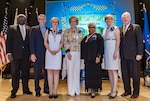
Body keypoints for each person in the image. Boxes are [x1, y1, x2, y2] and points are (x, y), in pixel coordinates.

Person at [6, 14, 32, 98]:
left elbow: (30, 43)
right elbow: (8, 42)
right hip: (15, 56)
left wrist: (31, 54)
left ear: (25, 20)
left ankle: (26, 89)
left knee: (26, 73)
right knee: (15, 74)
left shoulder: (29, 29)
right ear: (17, 19)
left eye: (23, 18)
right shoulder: (11, 28)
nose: (21, 19)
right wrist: (9, 53)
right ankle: (14, 91)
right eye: (20, 18)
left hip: (26, 56)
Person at [120, 12, 143, 99]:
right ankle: (127, 90)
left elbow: (140, 42)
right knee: (125, 75)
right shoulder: (120, 29)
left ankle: (136, 92)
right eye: (124, 17)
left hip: (134, 56)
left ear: (130, 18)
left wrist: (139, 53)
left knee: (135, 75)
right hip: (123, 56)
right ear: (122, 19)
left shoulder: (136, 27)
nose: (125, 19)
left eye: (127, 17)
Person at [81, 23, 104, 98]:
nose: (91, 28)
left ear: (95, 28)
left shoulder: (98, 36)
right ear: (88, 28)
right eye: (90, 27)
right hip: (88, 60)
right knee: (89, 75)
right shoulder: (86, 37)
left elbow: (101, 47)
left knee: (95, 75)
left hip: (95, 60)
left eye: (93, 27)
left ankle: (94, 90)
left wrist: (98, 56)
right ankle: (90, 89)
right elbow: (83, 47)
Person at [29, 14, 49, 97]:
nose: (42, 20)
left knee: (47, 72)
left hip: (47, 54)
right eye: (41, 19)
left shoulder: (48, 29)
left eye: (44, 19)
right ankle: (37, 89)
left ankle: (46, 88)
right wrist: (32, 54)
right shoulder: (34, 29)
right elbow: (31, 42)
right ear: (38, 20)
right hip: (37, 54)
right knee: (37, 73)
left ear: (46, 20)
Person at [63, 16, 83, 96]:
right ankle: (71, 91)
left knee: (77, 72)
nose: (73, 23)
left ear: (77, 22)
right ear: (70, 22)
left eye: (75, 21)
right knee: (70, 72)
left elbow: (81, 41)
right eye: (72, 21)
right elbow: (65, 42)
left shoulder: (80, 31)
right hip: (70, 53)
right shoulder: (66, 31)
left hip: (78, 53)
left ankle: (77, 90)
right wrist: (67, 52)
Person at [44, 17, 63, 99]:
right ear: (51, 23)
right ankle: (50, 91)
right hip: (49, 53)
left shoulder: (61, 31)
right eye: (53, 22)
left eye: (56, 22)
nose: (55, 23)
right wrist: (49, 50)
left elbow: (62, 42)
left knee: (56, 73)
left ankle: (55, 91)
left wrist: (57, 50)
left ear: (58, 23)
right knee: (49, 72)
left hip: (58, 53)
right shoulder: (48, 31)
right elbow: (45, 42)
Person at [102, 14, 120, 99]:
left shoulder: (115, 28)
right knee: (109, 70)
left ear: (112, 20)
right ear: (105, 21)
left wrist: (116, 51)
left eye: (110, 19)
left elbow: (118, 40)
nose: (108, 20)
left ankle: (114, 90)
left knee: (114, 70)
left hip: (113, 49)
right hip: (107, 50)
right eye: (107, 19)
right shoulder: (105, 29)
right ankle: (112, 88)